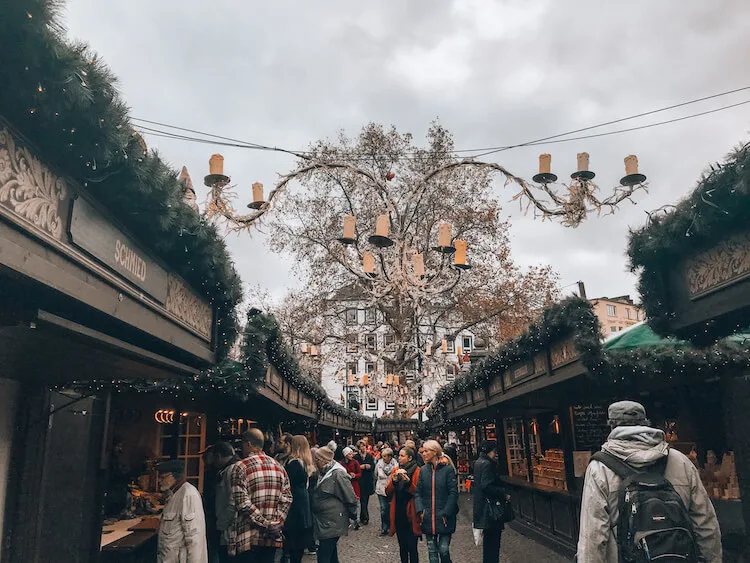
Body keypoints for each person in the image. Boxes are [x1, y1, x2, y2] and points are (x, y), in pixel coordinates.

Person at [577, 401, 722, 563]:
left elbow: (592, 538)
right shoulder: (681, 462)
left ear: (611, 426)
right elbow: (707, 525)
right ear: (646, 423)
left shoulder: (599, 469)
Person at [226, 429, 292, 562]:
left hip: (248, 536)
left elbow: (243, 504)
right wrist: (276, 523)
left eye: (242, 444)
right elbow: (287, 498)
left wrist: (266, 524)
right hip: (271, 537)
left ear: (248, 444)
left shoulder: (240, 467)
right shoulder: (278, 466)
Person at [310, 446, 358, 563]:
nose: (315, 463)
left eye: (316, 460)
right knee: (330, 555)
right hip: (325, 521)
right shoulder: (323, 472)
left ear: (323, 460)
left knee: (324, 555)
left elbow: (350, 497)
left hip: (332, 522)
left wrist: (353, 515)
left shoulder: (338, 474)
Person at [414, 440, 458, 563]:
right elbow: (418, 493)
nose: (423, 453)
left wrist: (446, 512)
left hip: (444, 517)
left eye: (426, 451)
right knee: (432, 551)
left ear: (434, 452)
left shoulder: (447, 470)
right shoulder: (423, 470)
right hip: (428, 517)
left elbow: (453, 493)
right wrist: (420, 510)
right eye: (423, 451)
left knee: (443, 549)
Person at [157, 459, 208, 563]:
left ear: (173, 476)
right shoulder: (174, 494)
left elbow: (194, 537)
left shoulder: (188, 494)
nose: (159, 481)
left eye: (162, 477)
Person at [472, 440, 509, 563]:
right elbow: (486, 485)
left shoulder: (478, 462)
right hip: (491, 508)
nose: (496, 454)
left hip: (483, 507)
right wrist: (502, 492)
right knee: (493, 542)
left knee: (489, 542)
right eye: (494, 451)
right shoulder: (488, 464)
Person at [386, 447, 422, 563]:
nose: (399, 458)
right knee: (402, 546)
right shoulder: (396, 470)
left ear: (410, 458)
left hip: (412, 513)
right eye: (399, 456)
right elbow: (387, 492)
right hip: (398, 511)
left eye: (402, 456)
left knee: (412, 546)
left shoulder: (417, 471)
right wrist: (394, 481)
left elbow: (418, 493)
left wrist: (408, 483)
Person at [283, 436, 315, 563]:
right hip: (302, 507)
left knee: (293, 545)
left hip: (295, 508)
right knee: (298, 547)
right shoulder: (304, 463)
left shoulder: (294, 464)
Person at [213, 442, 239, 563]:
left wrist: (220, 525)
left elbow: (232, 503)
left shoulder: (231, 471)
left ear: (218, 456)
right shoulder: (233, 468)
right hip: (231, 527)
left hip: (230, 529)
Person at [375, 447, 398, 536]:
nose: (383, 458)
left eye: (385, 456)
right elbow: (376, 475)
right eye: (383, 456)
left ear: (390, 457)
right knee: (383, 509)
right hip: (381, 489)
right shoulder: (379, 464)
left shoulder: (395, 465)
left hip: (391, 489)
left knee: (391, 509)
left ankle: (391, 526)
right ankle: (384, 528)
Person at [354, 439, 375, 525]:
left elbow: (373, 466)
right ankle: (365, 517)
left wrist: (369, 466)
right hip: (361, 480)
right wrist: (360, 467)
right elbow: (355, 467)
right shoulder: (356, 457)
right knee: (363, 499)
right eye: (361, 446)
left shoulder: (369, 456)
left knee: (366, 499)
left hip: (368, 479)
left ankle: (363, 516)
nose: (362, 448)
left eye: (363, 446)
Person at [341, 446, 362, 529]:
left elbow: (360, 473)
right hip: (346, 485)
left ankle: (356, 521)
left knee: (356, 503)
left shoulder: (355, 462)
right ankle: (348, 520)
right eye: (349, 454)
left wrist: (355, 475)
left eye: (351, 453)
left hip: (354, 484)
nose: (351, 455)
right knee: (346, 503)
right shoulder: (341, 464)